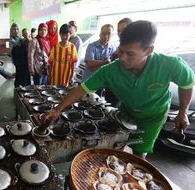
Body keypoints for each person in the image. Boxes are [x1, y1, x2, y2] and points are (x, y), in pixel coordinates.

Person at [42, 20, 195, 158]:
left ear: (149, 51)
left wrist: (182, 112)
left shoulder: (169, 64)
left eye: (130, 54)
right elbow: (81, 89)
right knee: (120, 146)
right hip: (126, 111)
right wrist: (58, 109)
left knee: (140, 152)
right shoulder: (111, 70)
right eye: (121, 51)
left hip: (153, 116)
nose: (122, 58)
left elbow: (187, 84)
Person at [82, 24, 115, 96]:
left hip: (101, 83)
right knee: (82, 104)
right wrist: (105, 62)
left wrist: (96, 65)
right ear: (100, 34)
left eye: (109, 33)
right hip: (88, 82)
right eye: (104, 33)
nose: (106, 36)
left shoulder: (112, 49)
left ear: (112, 34)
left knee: (96, 105)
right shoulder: (91, 46)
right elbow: (90, 64)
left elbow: (110, 67)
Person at [106, 18, 132, 107]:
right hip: (111, 90)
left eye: (123, 30)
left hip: (123, 92)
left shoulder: (136, 51)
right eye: (118, 31)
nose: (120, 33)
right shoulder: (117, 49)